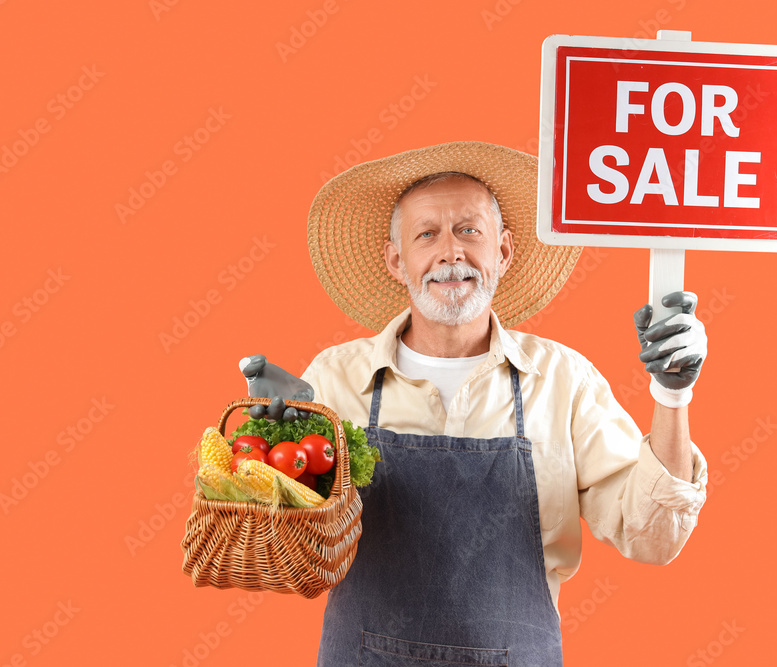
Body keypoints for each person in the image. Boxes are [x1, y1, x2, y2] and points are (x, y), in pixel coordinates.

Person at [273, 141, 707, 665]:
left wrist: (672, 395)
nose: (450, 252)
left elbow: (653, 539)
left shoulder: (563, 381)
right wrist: (265, 457)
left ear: (502, 251)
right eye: (426, 234)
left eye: (468, 230)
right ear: (396, 259)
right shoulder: (335, 379)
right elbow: (287, 552)